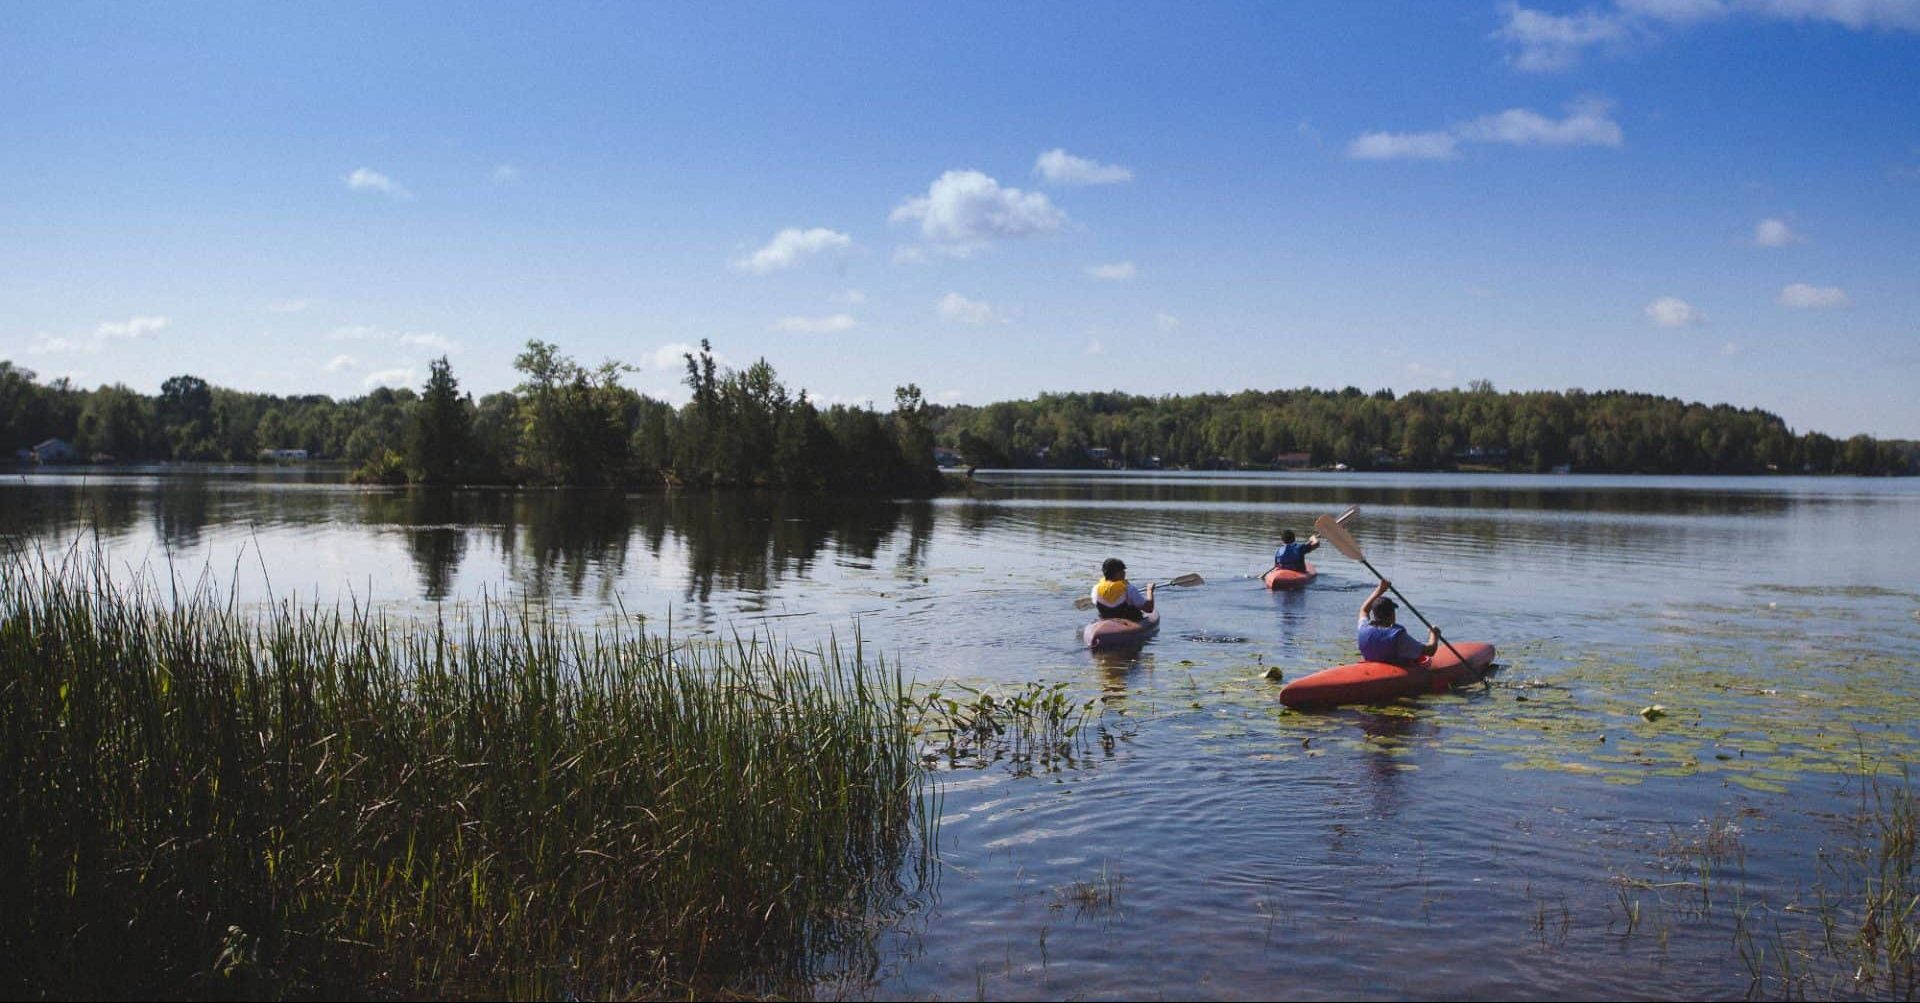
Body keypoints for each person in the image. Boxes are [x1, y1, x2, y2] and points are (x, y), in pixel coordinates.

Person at [1357, 579, 1440, 666]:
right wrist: (1434, 635)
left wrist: (1380, 589)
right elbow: (1430, 651)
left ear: (1374, 614)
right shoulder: (1398, 637)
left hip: (1370, 668)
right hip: (1393, 672)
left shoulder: (1363, 627)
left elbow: (1364, 610)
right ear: (1392, 614)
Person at [1091, 558, 1155, 621]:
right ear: (1117, 573)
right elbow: (1149, 609)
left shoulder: (1096, 589)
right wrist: (1149, 590)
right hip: (1128, 621)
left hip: (1106, 620)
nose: (1124, 573)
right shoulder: (1129, 589)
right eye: (1122, 570)